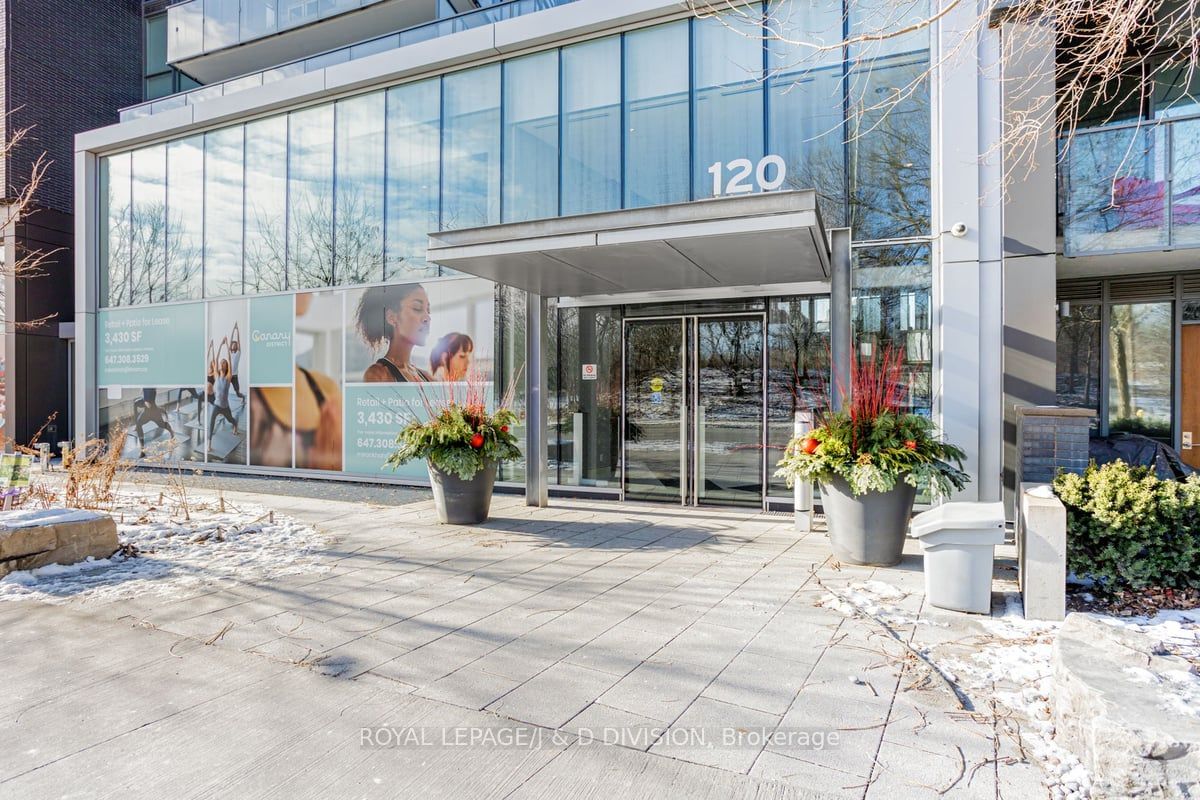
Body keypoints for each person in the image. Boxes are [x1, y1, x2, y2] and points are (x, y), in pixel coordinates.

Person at [355, 284, 434, 382]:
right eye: (417, 308)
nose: (427, 318)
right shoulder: (379, 375)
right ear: (391, 317)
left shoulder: (428, 378)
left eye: (428, 310)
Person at [209, 337, 239, 439]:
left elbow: (230, 361)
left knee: (231, 420)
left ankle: (235, 424)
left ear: (226, 367)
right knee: (211, 421)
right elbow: (216, 359)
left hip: (225, 405)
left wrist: (226, 346)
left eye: (224, 363)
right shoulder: (216, 375)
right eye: (221, 363)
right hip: (217, 404)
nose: (222, 364)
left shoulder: (228, 376)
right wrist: (221, 344)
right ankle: (209, 443)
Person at [133, 387, 174, 458]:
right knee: (139, 423)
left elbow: (148, 404)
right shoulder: (146, 387)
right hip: (146, 413)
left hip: (154, 413)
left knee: (162, 425)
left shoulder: (151, 389)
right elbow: (145, 402)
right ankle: (142, 449)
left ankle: (172, 432)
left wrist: (145, 401)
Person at [229, 322, 244, 401]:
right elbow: (231, 340)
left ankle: (243, 397)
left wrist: (237, 330)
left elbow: (238, 340)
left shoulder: (238, 353)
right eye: (233, 345)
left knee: (238, 393)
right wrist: (233, 329)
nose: (234, 345)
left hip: (234, 376)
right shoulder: (230, 353)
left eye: (235, 345)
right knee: (223, 389)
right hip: (228, 375)